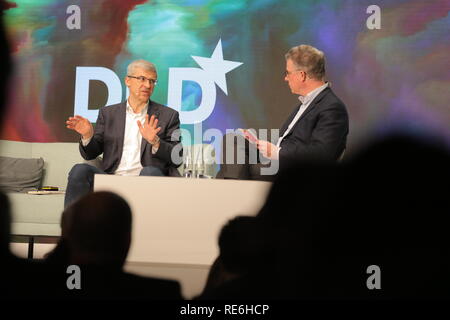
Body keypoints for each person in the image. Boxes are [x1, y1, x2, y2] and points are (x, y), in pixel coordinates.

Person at [216, 44, 349, 180]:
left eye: (288, 73)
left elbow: (322, 154)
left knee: (233, 171)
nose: (285, 78)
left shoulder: (332, 107)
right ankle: (231, 188)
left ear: (302, 75)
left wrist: (277, 152)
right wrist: (258, 143)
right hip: (278, 160)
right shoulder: (306, 104)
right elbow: (286, 142)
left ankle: (230, 192)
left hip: (296, 169)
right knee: (233, 140)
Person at [64, 59, 182, 208]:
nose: (147, 85)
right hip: (112, 178)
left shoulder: (168, 115)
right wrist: (87, 136)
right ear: (128, 80)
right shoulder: (108, 114)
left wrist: (156, 142)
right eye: (142, 79)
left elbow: (177, 158)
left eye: (152, 81)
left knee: (150, 172)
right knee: (79, 170)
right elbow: (90, 154)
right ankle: (72, 228)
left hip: (146, 178)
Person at [44, 191, 184, 300]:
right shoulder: (162, 292)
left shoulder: (45, 286)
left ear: (69, 235)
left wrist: (64, 243)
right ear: (127, 241)